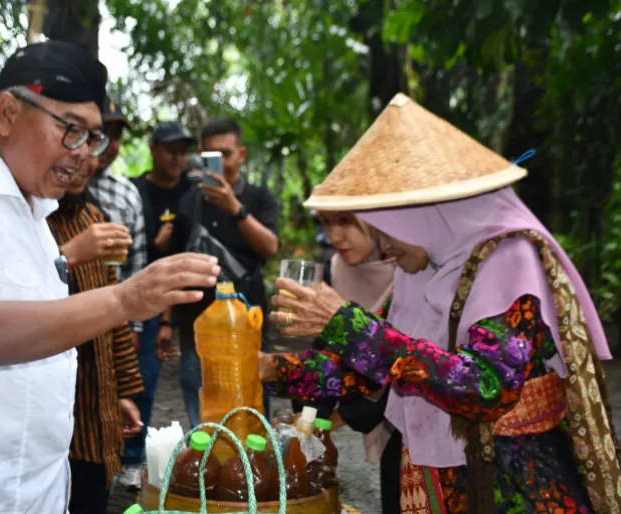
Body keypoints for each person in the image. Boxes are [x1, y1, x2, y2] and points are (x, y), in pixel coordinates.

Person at [0, 41, 220, 514]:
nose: (84, 154)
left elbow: (47, 338)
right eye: (71, 129)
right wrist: (124, 300)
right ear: (8, 113)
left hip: (36, 495)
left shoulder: (37, 219)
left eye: (92, 138)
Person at [260, 93, 620, 514]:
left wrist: (347, 325)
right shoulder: (421, 269)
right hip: (442, 483)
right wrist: (272, 368)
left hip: (514, 487)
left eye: (386, 228)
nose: (383, 246)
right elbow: (367, 368)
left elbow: (483, 387)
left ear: (425, 212)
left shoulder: (510, 260)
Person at [48, 136, 144, 513]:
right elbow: (10, 304)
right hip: (52, 419)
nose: (84, 159)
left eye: (92, 145)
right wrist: (68, 256)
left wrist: (122, 392)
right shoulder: (31, 223)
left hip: (95, 413)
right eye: (73, 138)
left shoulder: (95, 218)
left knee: (93, 498)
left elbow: (113, 311)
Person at [169, 117, 280, 428]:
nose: (220, 163)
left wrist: (235, 208)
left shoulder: (259, 198)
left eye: (226, 155)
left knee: (253, 411)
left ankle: (254, 459)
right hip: (196, 328)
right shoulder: (187, 203)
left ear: (241, 154)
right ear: (201, 155)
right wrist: (166, 322)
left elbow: (270, 247)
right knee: (204, 415)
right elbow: (173, 264)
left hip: (249, 322)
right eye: (211, 156)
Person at [292, 210, 401, 514]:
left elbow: (406, 364)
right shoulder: (336, 270)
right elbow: (326, 352)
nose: (333, 236)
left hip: (419, 415)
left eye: (344, 221)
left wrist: (343, 417)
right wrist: (308, 416)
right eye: (326, 223)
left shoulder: (411, 268)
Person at [120, 121, 196, 489]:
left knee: (147, 381)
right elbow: (131, 253)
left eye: (184, 151)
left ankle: (134, 458)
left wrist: (168, 320)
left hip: (178, 300)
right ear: (153, 149)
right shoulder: (134, 191)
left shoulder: (193, 192)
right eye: (171, 150)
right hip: (133, 298)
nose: (178, 158)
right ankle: (112, 455)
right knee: (123, 381)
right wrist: (156, 245)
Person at [87, 99, 146, 349]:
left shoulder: (127, 193)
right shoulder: (55, 186)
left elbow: (136, 263)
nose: (108, 144)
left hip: (115, 319)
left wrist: (135, 326)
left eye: (116, 137)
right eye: (101, 133)